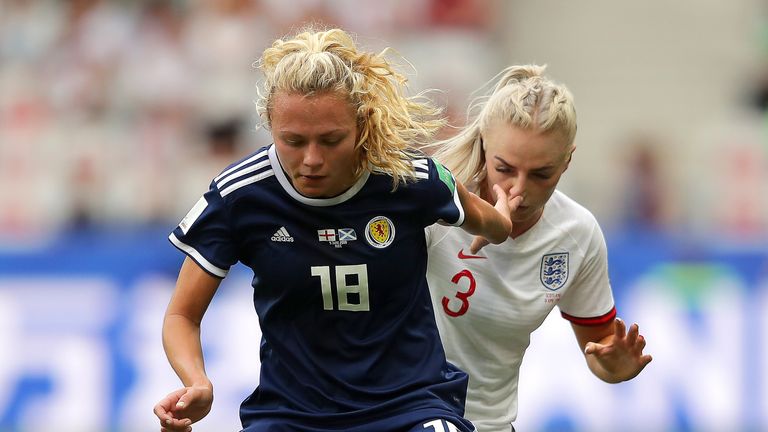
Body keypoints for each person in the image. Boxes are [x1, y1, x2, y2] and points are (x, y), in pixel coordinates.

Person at [153, 27, 519, 432]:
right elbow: (182, 315)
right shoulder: (241, 196)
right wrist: (196, 381)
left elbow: (494, 224)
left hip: (410, 406)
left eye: (331, 140)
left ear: (361, 124)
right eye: (292, 140)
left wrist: (501, 217)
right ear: (269, 124)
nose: (311, 159)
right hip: (291, 416)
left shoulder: (411, 179)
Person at [425, 65, 653, 432]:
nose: (519, 189)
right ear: (484, 143)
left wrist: (615, 368)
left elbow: (599, 349)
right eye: (504, 168)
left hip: (492, 424)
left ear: (568, 161)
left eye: (541, 174)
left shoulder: (577, 234)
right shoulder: (432, 206)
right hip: (409, 417)